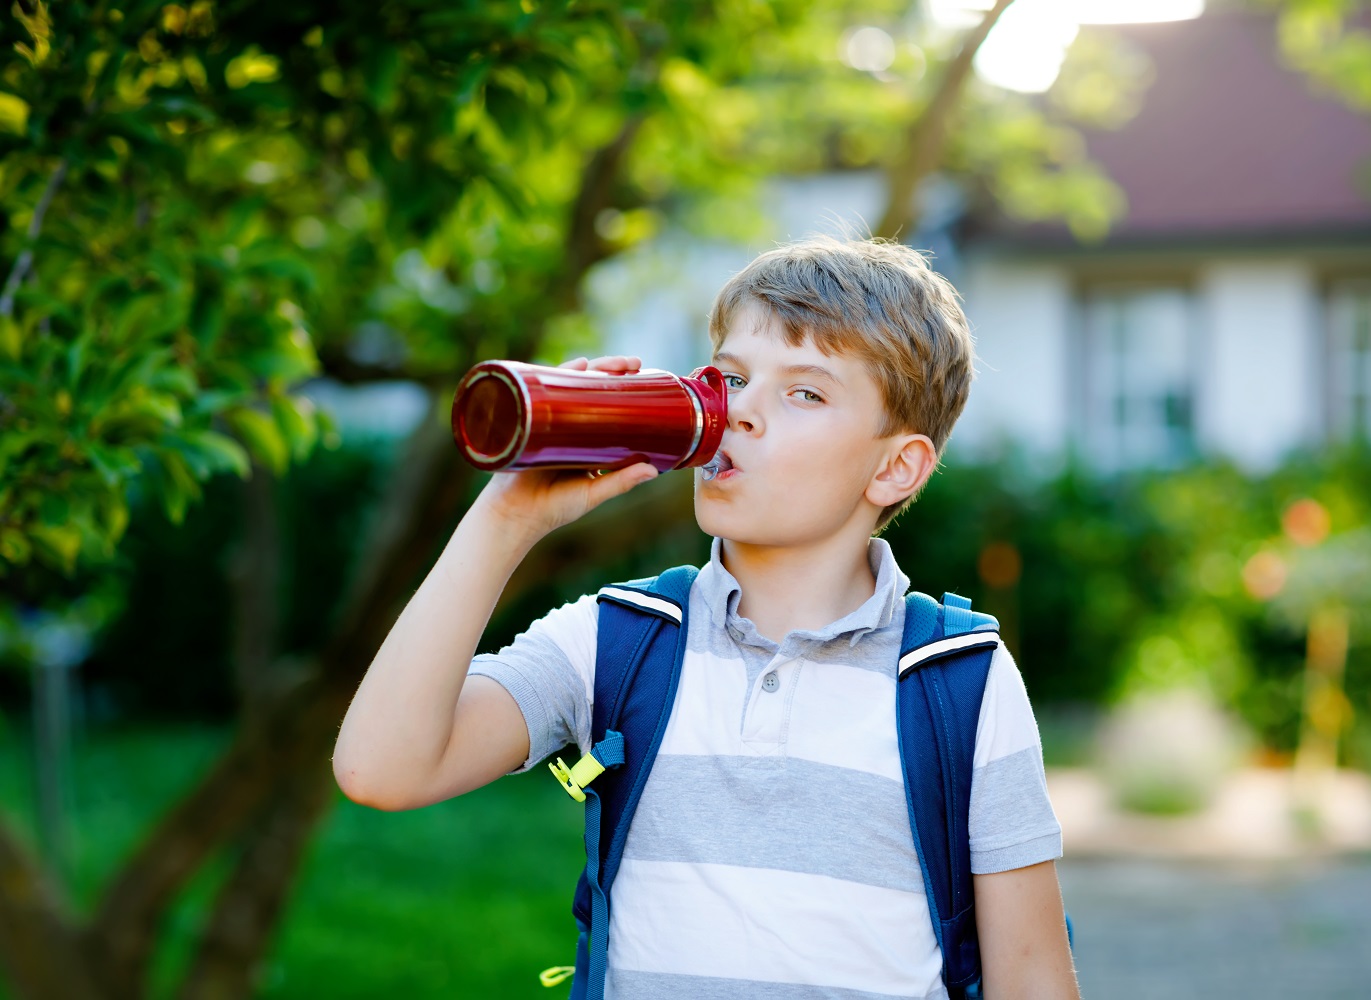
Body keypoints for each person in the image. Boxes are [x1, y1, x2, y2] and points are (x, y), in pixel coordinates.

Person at [332, 235, 1080, 999]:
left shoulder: (957, 682)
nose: (740, 413)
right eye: (729, 377)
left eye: (805, 393)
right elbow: (381, 768)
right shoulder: (618, 640)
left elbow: (1032, 977)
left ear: (894, 467)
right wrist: (506, 520)